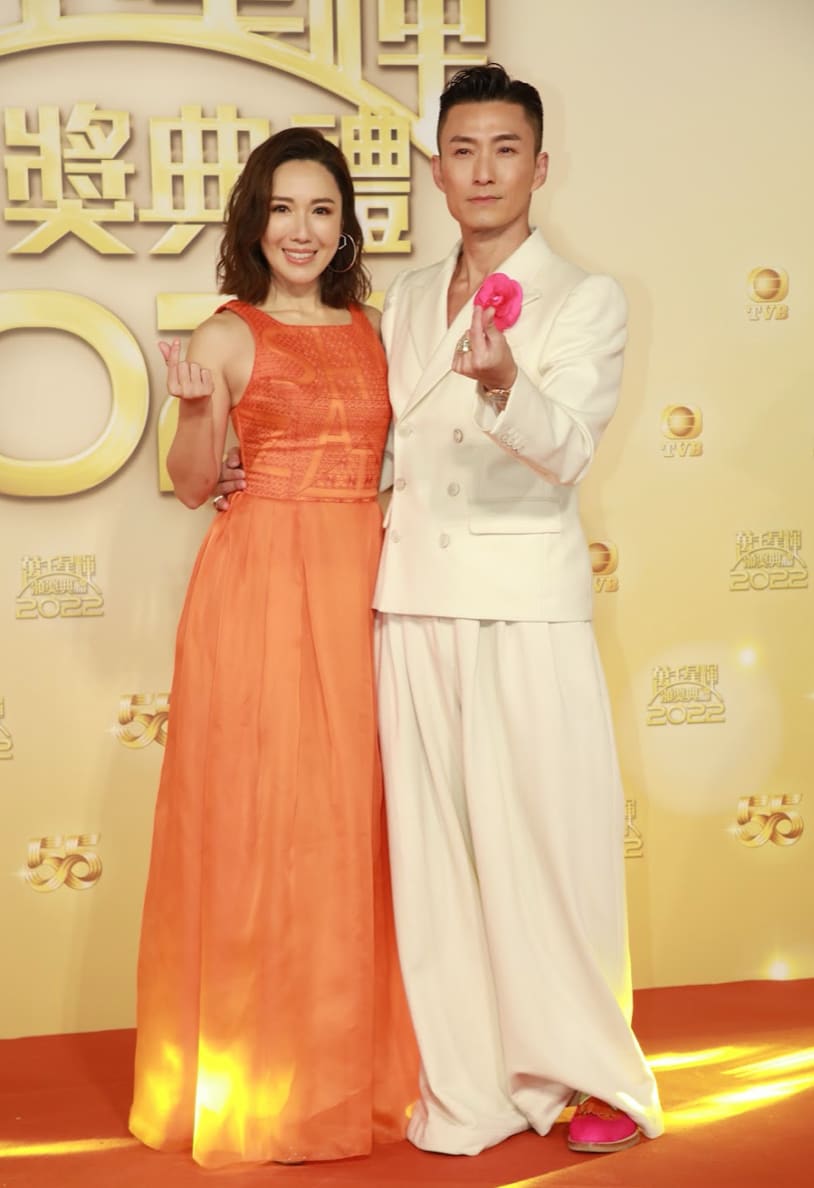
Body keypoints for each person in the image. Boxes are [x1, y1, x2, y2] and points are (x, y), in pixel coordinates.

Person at [215, 65, 664, 1159]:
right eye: (462, 150)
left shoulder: (586, 298)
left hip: (521, 606)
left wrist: (505, 383)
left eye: (504, 150)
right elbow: (369, 438)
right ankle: (469, 1084)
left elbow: (568, 448)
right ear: (436, 170)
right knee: (435, 861)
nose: (482, 171)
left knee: (547, 846)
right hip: (408, 602)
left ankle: (592, 1076)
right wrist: (246, 468)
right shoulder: (409, 299)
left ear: (540, 167)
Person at [129, 127, 417, 1170]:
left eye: (321, 210)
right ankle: (262, 1079)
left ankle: (363, 1072)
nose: (301, 230)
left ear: (346, 226)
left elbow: (412, 456)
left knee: (360, 824)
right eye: (282, 209)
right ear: (254, 221)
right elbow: (193, 485)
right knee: (265, 823)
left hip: (366, 581)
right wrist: (197, 413)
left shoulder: (379, 330)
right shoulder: (224, 334)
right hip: (257, 589)